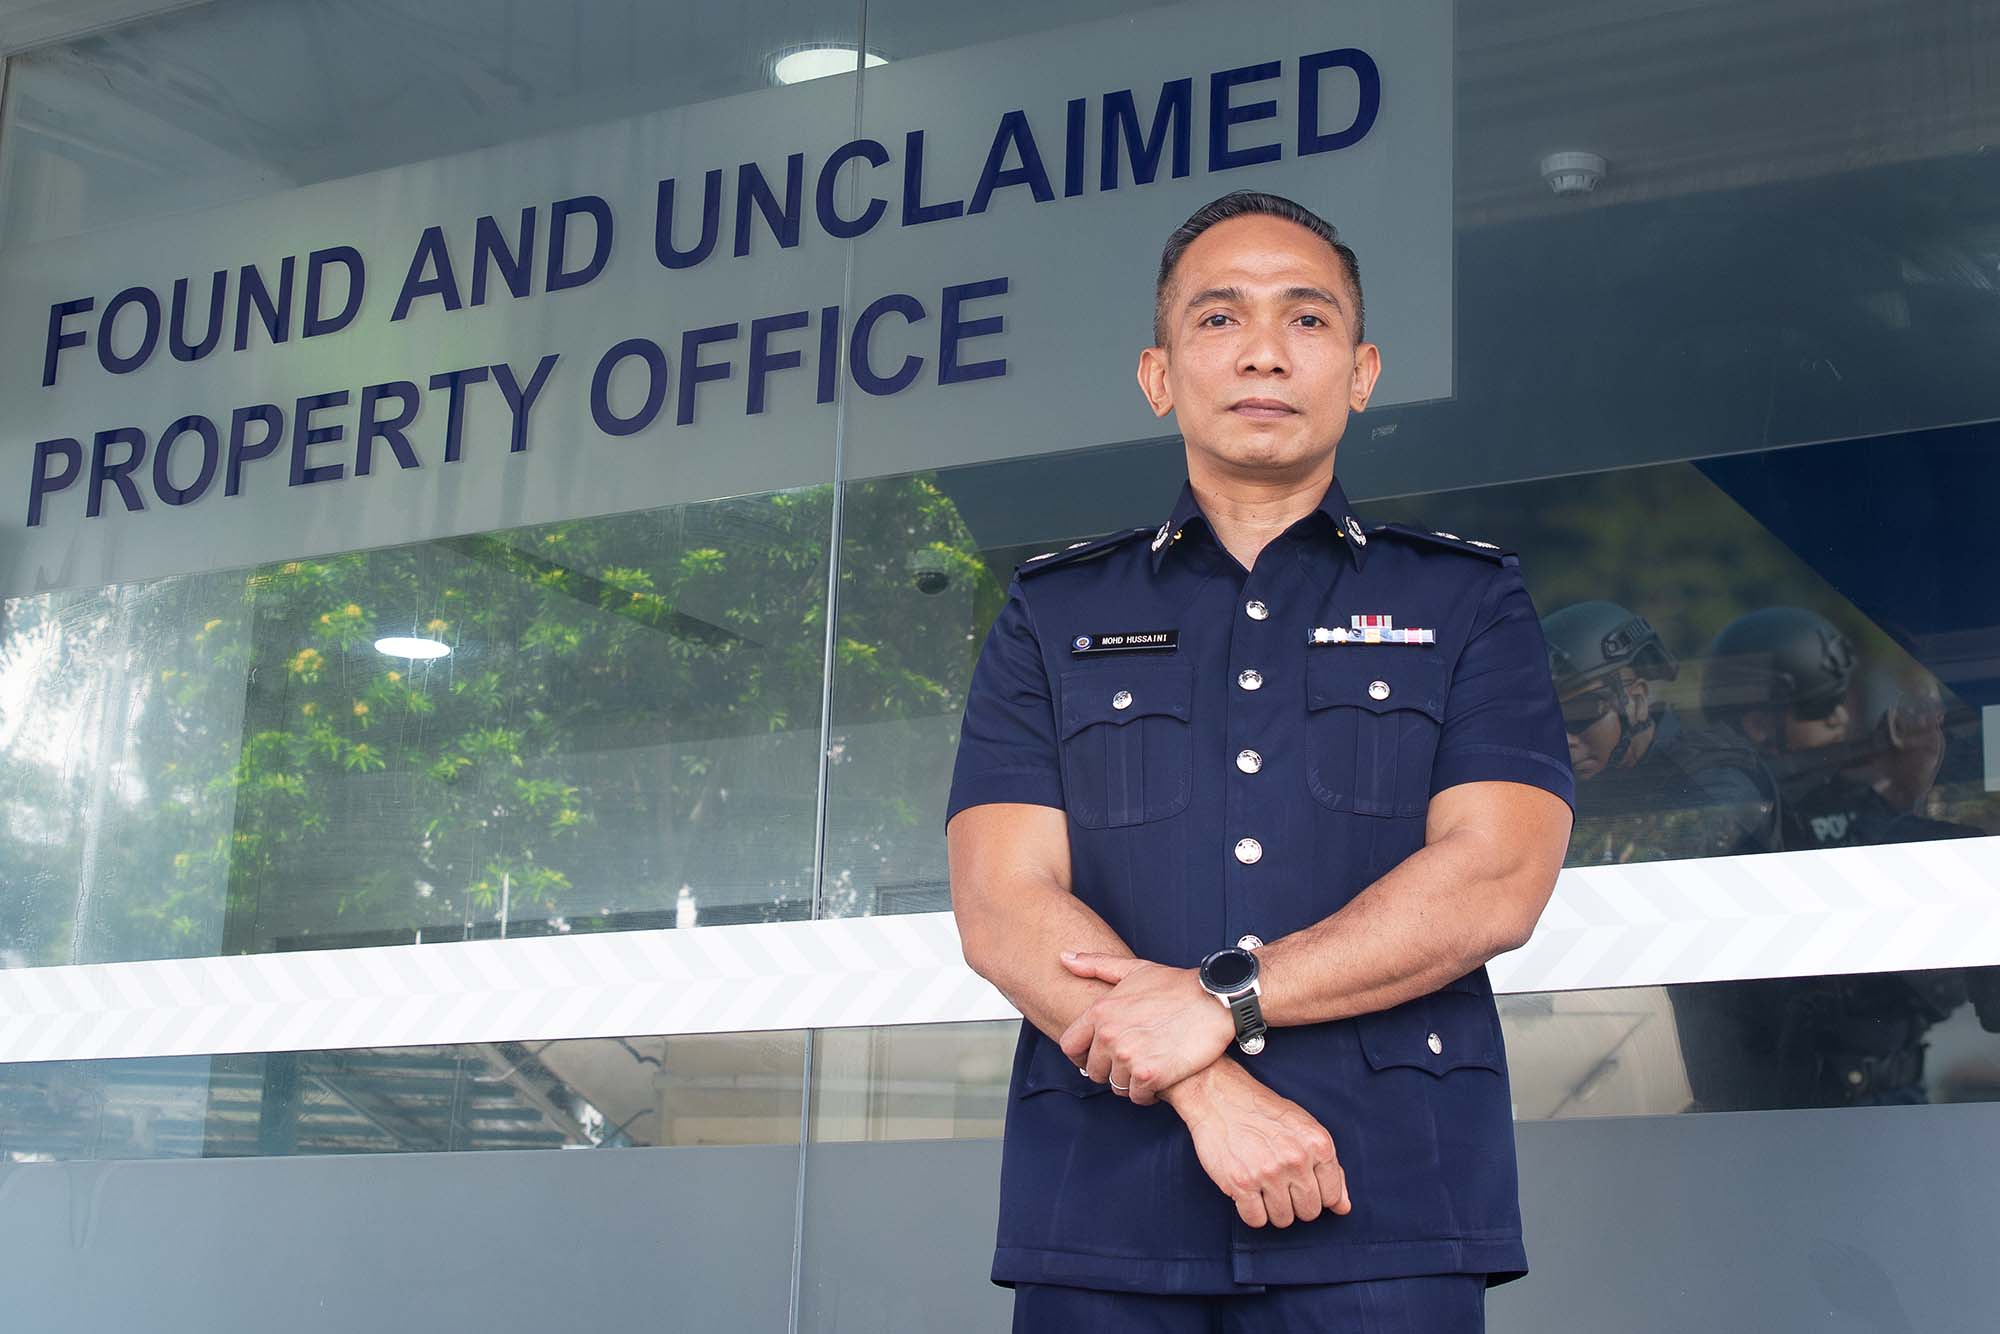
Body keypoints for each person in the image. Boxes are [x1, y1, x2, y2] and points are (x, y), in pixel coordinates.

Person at [945, 189, 1576, 1332]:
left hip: (1381, 1195)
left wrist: (1219, 998)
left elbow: (1494, 875)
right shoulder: (1049, 611)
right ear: (1158, 373)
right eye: (1219, 319)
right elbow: (1002, 902)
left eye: (1306, 318)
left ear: (1361, 368)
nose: (1264, 353)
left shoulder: (1465, 599)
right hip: (1104, 1202)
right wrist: (1205, 1077)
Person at [1543, 598, 1778, 864]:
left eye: (1580, 713)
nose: (1564, 739)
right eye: (1546, 723)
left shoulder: (1714, 776)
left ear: (1637, 700)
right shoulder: (1564, 791)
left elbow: (1669, 857)